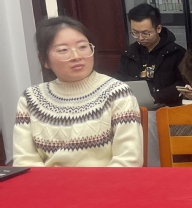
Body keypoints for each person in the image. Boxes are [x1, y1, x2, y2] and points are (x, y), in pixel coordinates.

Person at [13, 16, 143, 167]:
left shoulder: (117, 93)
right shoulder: (31, 99)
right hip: (47, 182)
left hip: (106, 181)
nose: (76, 56)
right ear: (45, 60)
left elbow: (128, 160)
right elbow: (24, 161)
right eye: (63, 50)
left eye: (82, 47)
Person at [115, 3, 186, 106]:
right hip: (135, 106)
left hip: (168, 108)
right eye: (135, 32)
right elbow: (119, 80)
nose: (140, 38)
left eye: (145, 33)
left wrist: (156, 97)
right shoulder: (129, 53)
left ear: (158, 28)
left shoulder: (176, 53)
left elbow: (183, 84)